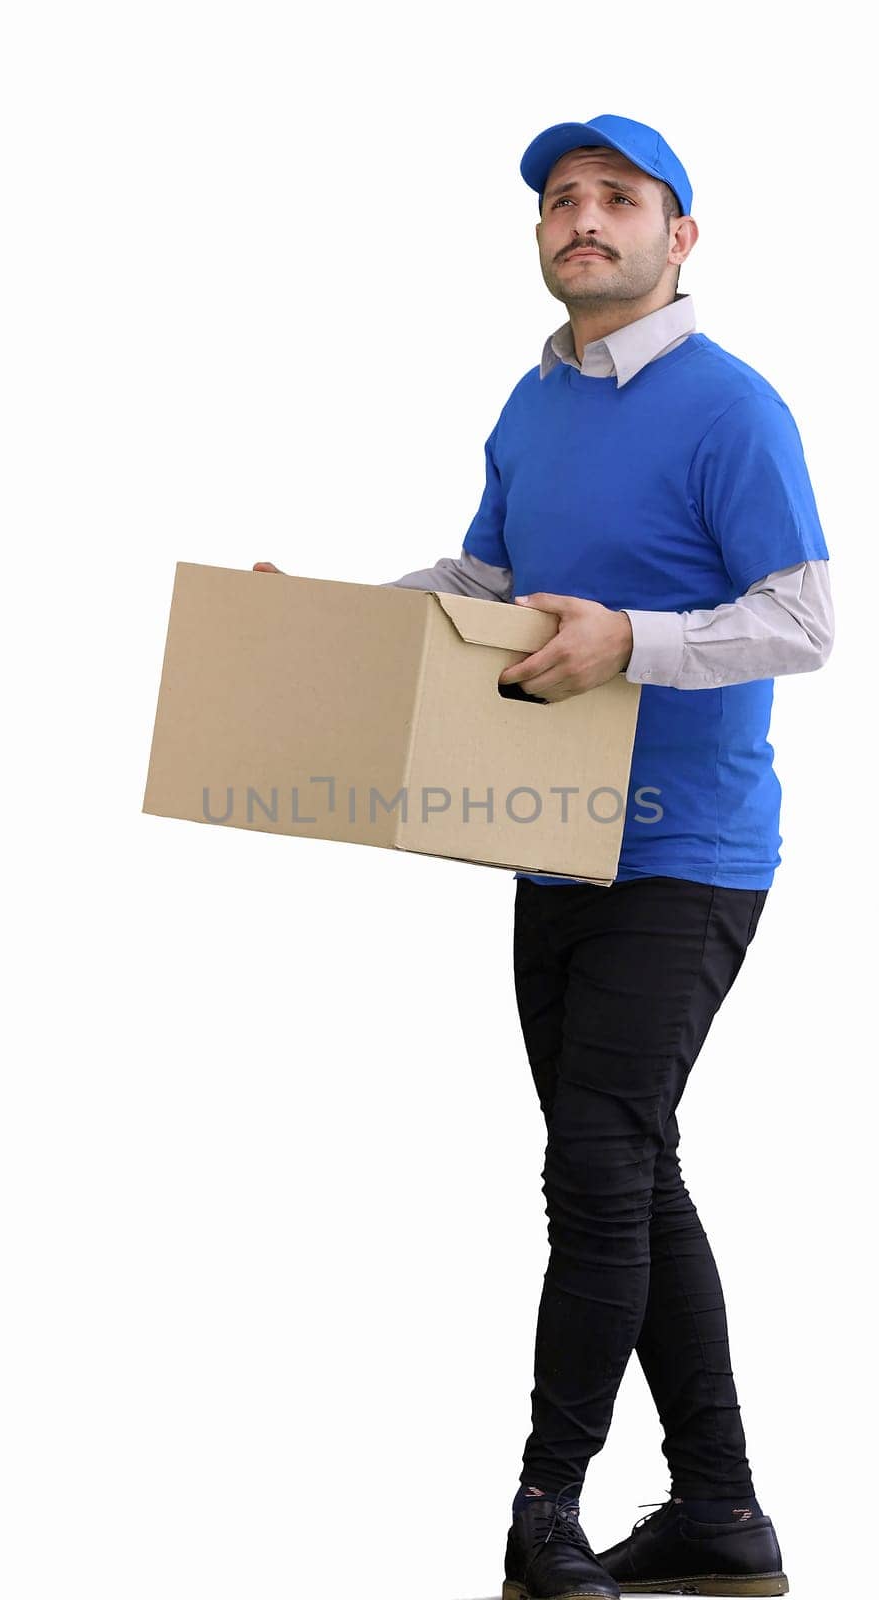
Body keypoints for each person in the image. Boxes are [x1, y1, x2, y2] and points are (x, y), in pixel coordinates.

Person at [256, 113, 832, 1600]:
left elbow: (806, 620)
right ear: (541, 239)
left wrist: (631, 641)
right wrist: (316, 624)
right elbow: (482, 585)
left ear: (679, 236)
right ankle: (724, 1517)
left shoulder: (731, 409)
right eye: (562, 199)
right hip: (551, 839)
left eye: (619, 198)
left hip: (691, 849)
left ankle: (541, 1514)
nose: (586, 217)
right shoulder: (535, 405)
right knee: (634, 1169)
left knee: (594, 1170)